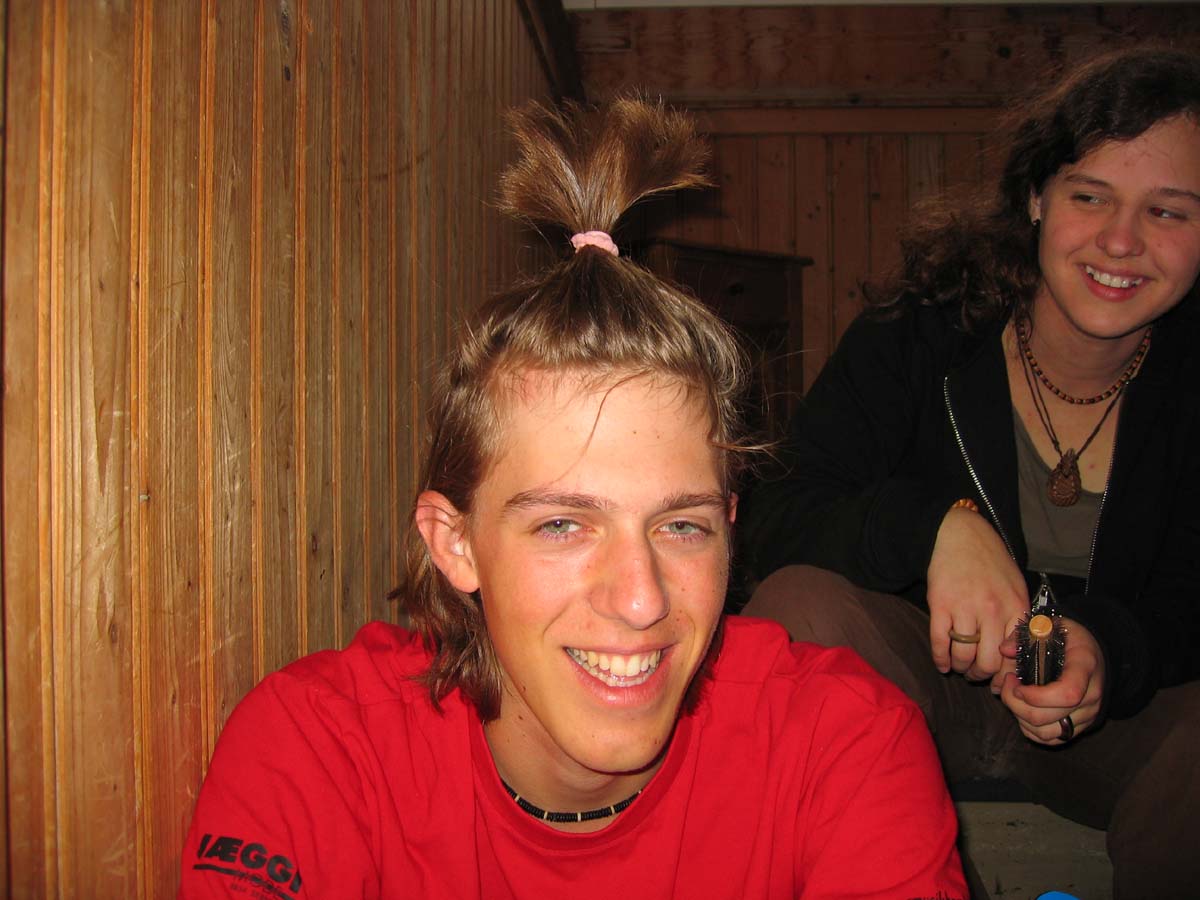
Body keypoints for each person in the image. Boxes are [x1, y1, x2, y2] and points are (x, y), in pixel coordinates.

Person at [177, 98, 965, 899]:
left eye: (681, 526)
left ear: (730, 531)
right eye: (562, 524)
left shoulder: (845, 744)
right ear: (454, 542)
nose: (640, 599)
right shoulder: (318, 753)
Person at [740, 47, 1200, 898]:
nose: (1121, 241)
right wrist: (935, 528)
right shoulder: (920, 332)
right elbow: (776, 511)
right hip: (916, 703)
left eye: (1168, 212)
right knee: (797, 607)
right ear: (1036, 198)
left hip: (1117, 734)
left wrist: (1110, 647)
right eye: (1089, 196)